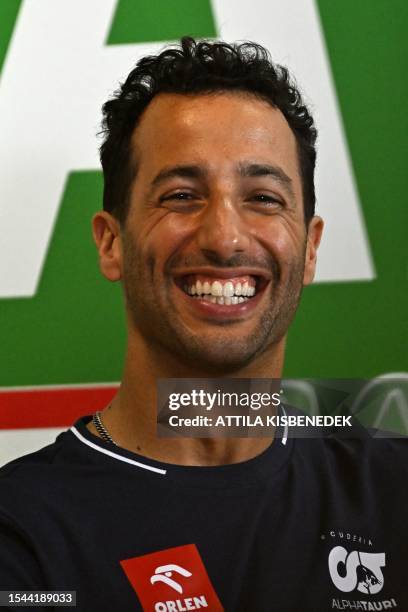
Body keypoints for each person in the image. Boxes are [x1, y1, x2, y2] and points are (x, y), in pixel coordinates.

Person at [0, 37, 406, 612]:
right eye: (182, 195)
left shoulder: (392, 491)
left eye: (263, 197)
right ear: (111, 241)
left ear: (310, 248)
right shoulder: (22, 534)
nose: (225, 238)